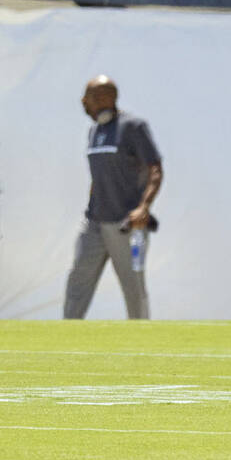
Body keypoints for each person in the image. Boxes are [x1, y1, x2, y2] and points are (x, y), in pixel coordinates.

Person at [63, 76, 162, 320]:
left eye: (89, 97)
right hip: (94, 222)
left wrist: (144, 208)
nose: (84, 102)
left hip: (127, 225)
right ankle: (65, 336)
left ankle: (141, 343)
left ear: (107, 97)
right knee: (77, 279)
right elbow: (98, 176)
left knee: (133, 287)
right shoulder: (94, 130)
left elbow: (155, 168)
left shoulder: (133, 127)